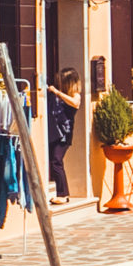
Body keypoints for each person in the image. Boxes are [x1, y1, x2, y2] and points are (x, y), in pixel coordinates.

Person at [47, 68, 82, 201]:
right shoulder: (60, 95)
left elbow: (75, 103)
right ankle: (62, 193)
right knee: (54, 161)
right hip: (55, 132)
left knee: (57, 161)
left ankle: (63, 194)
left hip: (64, 134)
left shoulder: (76, 95)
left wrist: (56, 92)